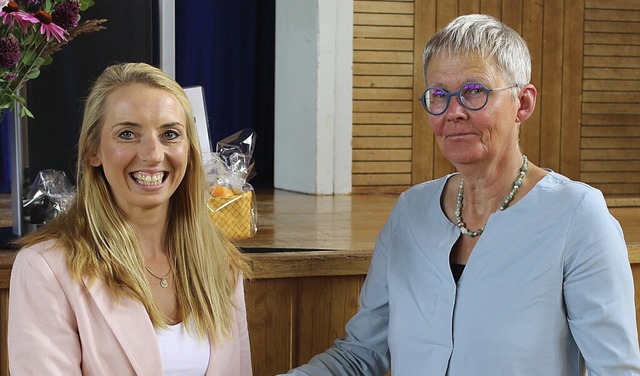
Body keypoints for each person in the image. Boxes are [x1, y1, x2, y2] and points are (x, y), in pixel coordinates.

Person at [283, 14, 640, 376]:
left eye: (474, 92)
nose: (453, 112)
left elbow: (616, 371)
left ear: (524, 103)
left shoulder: (577, 216)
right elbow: (359, 357)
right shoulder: (411, 212)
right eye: (439, 95)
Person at [8, 62, 253, 375]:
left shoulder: (221, 260)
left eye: (170, 134)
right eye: (127, 134)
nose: (152, 153)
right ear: (92, 152)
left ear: (189, 151)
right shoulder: (44, 269)